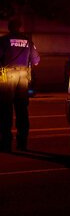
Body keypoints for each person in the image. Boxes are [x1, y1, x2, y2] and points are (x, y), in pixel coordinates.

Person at [0, 17, 40, 152]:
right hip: (23, 77)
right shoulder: (28, 41)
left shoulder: (4, 40)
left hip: (7, 77)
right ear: (21, 28)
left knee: (6, 110)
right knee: (22, 110)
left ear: (9, 28)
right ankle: (22, 143)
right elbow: (36, 61)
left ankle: (6, 144)